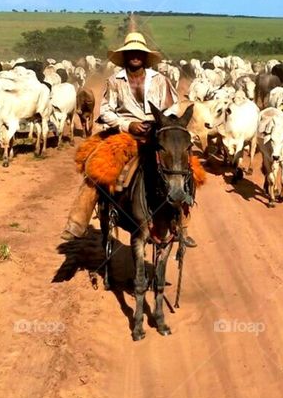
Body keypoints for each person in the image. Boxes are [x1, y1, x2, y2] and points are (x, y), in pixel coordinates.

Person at [60, 30, 197, 247]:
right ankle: (77, 221)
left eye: (139, 52)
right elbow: (105, 111)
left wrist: (158, 123)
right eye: (131, 52)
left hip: (157, 132)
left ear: (145, 57)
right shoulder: (115, 81)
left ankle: (182, 224)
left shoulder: (160, 80)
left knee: (186, 166)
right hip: (124, 135)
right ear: (125, 56)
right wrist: (128, 124)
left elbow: (172, 108)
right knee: (97, 167)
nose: (135, 56)